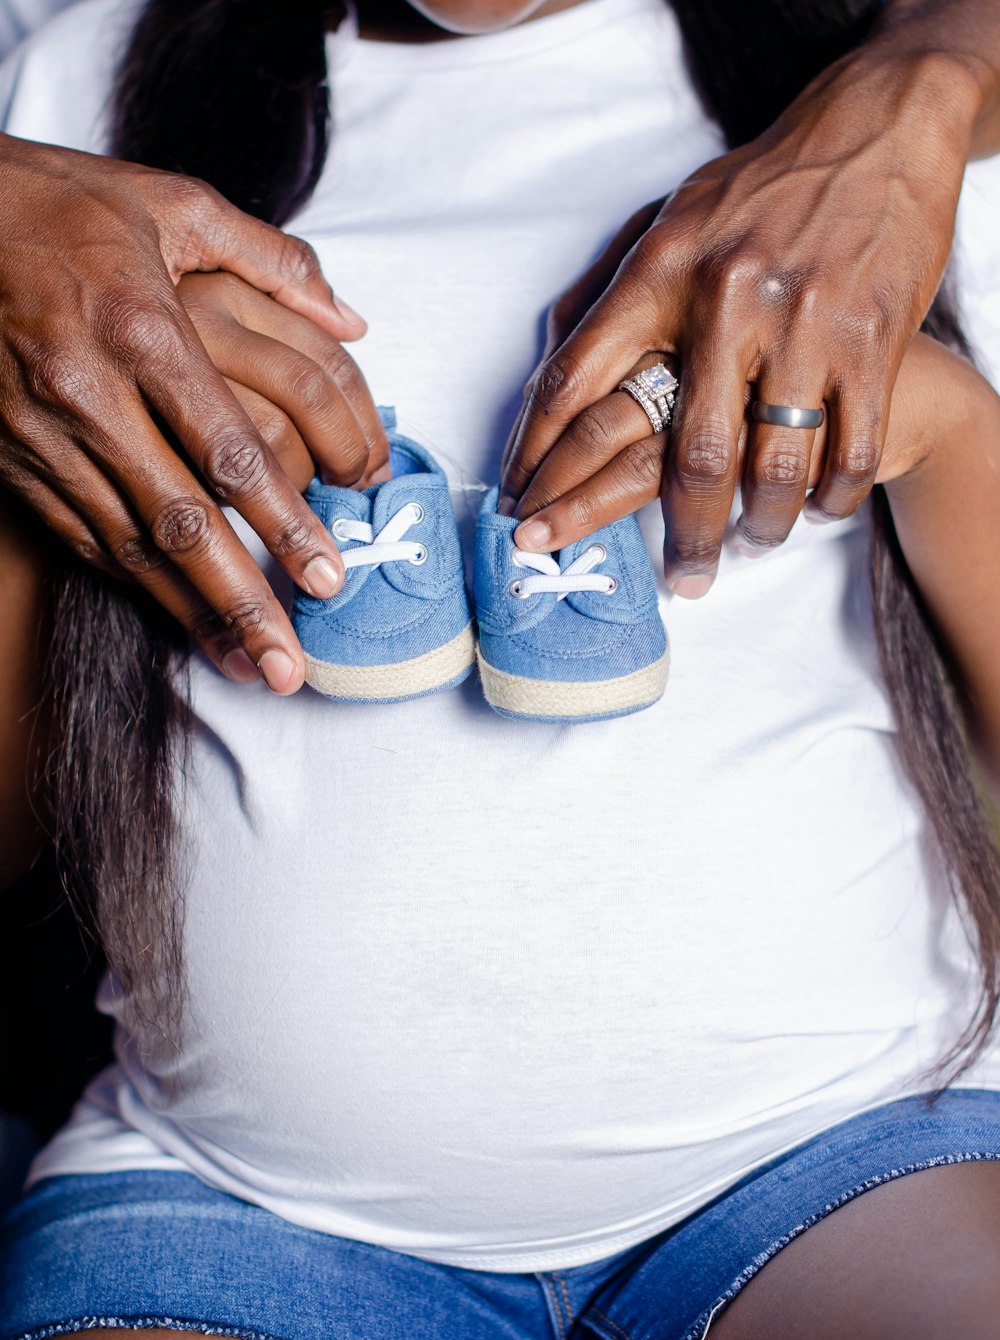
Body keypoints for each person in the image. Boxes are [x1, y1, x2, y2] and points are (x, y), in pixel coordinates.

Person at [1, 1, 1000, 1338]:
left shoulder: (875, 130)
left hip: (844, 1142)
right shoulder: (81, 85)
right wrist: (44, 462)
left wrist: (924, 417)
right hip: (228, 1193)